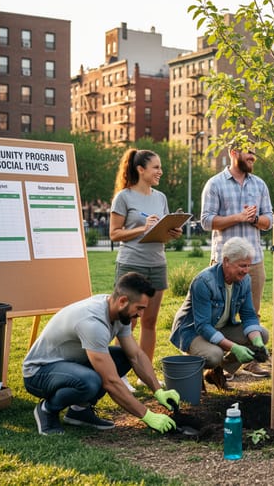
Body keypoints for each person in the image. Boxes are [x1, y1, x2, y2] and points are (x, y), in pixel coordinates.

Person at [22, 272, 180, 436]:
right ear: (123, 301)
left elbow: (136, 356)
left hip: (70, 364)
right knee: (91, 381)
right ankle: (47, 409)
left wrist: (158, 390)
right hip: (39, 372)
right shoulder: (92, 323)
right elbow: (110, 381)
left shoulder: (119, 312)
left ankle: (79, 411)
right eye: (139, 308)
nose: (140, 314)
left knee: (123, 357)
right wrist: (147, 415)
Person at [200, 143, 273, 378]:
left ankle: (242, 364)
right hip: (225, 262)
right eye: (249, 152)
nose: (253, 157)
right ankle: (215, 359)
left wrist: (254, 220)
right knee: (218, 317)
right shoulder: (215, 184)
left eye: (254, 154)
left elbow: (269, 220)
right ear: (233, 154)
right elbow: (206, 221)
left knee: (253, 316)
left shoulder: (259, 184)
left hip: (254, 261)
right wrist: (238, 217)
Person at [110, 149, 181, 388]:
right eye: (156, 168)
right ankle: (120, 376)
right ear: (141, 169)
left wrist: (171, 232)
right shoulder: (124, 197)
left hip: (157, 264)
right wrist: (142, 228)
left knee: (150, 322)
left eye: (160, 167)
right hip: (131, 264)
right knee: (127, 322)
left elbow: (159, 234)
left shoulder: (160, 198)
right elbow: (114, 233)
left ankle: (145, 375)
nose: (160, 172)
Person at [169, 237, 270, 391]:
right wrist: (235, 348)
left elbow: (249, 315)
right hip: (192, 330)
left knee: (261, 334)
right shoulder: (204, 281)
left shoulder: (244, 280)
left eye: (248, 265)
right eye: (242, 265)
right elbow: (202, 326)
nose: (246, 270)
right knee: (214, 355)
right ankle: (192, 367)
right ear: (226, 261)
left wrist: (257, 343)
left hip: (218, 327)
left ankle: (215, 372)